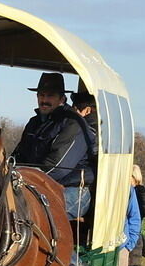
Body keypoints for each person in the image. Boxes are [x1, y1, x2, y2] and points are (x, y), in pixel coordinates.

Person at [12, 73, 96, 220]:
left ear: (62, 99)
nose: (44, 100)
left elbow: (57, 167)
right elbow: (18, 155)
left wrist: (24, 180)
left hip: (72, 190)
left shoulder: (73, 124)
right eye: (41, 95)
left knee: (29, 214)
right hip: (33, 184)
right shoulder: (34, 123)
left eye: (50, 96)